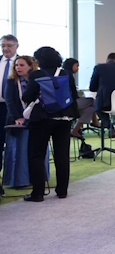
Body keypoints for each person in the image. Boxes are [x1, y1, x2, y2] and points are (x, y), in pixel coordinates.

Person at [22, 46, 80, 202]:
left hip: (42, 119)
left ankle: (38, 193)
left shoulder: (37, 75)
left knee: (37, 155)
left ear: (39, 60)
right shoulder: (66, 74)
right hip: (65, 118)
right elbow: (74, 96)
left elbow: (28, 96)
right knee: (62, 155)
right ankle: (62, 191)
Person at [3, 56, 38, 189]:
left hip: (34, 120)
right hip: (16, 121)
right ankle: (18, 180)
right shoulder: (11, 82)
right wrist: (17, 117)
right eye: (16, 65)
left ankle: (37, 178)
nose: (18, 68)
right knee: (18, 151)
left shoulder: (35, 81)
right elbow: (9, 101)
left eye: (22, 65)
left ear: (30, 66)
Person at [88, 52, 115, 137]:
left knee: (97, 107)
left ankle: (110, 128)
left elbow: (92, 87)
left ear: (107, 60)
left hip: (105, 104)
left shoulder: (99, 67)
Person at [0, 34, 20, 196]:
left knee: (13, 143)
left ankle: (16, 178)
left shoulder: (22, 63)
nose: (5, 49)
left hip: (15, 109)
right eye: (3, 46)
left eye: (9, 45)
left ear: (16, 46)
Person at [62, 58, 95, 142]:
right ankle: (95, 122)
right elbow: (73, 93)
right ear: (72, 65)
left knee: (90, 109)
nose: (78, 68)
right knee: (93, 101)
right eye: (77, 66)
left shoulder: (65, 74)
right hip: (70, 104)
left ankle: (75, 131)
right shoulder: (69, 75)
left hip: (67, 103)